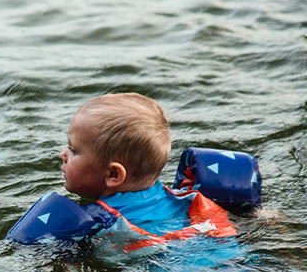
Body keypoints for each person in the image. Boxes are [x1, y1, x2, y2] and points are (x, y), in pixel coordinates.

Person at [58, 93, 236, 250]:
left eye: (73, 150)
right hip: (232, 260)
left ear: (113, 175)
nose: (62, 154)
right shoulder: (189, 199)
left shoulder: (91, 222)